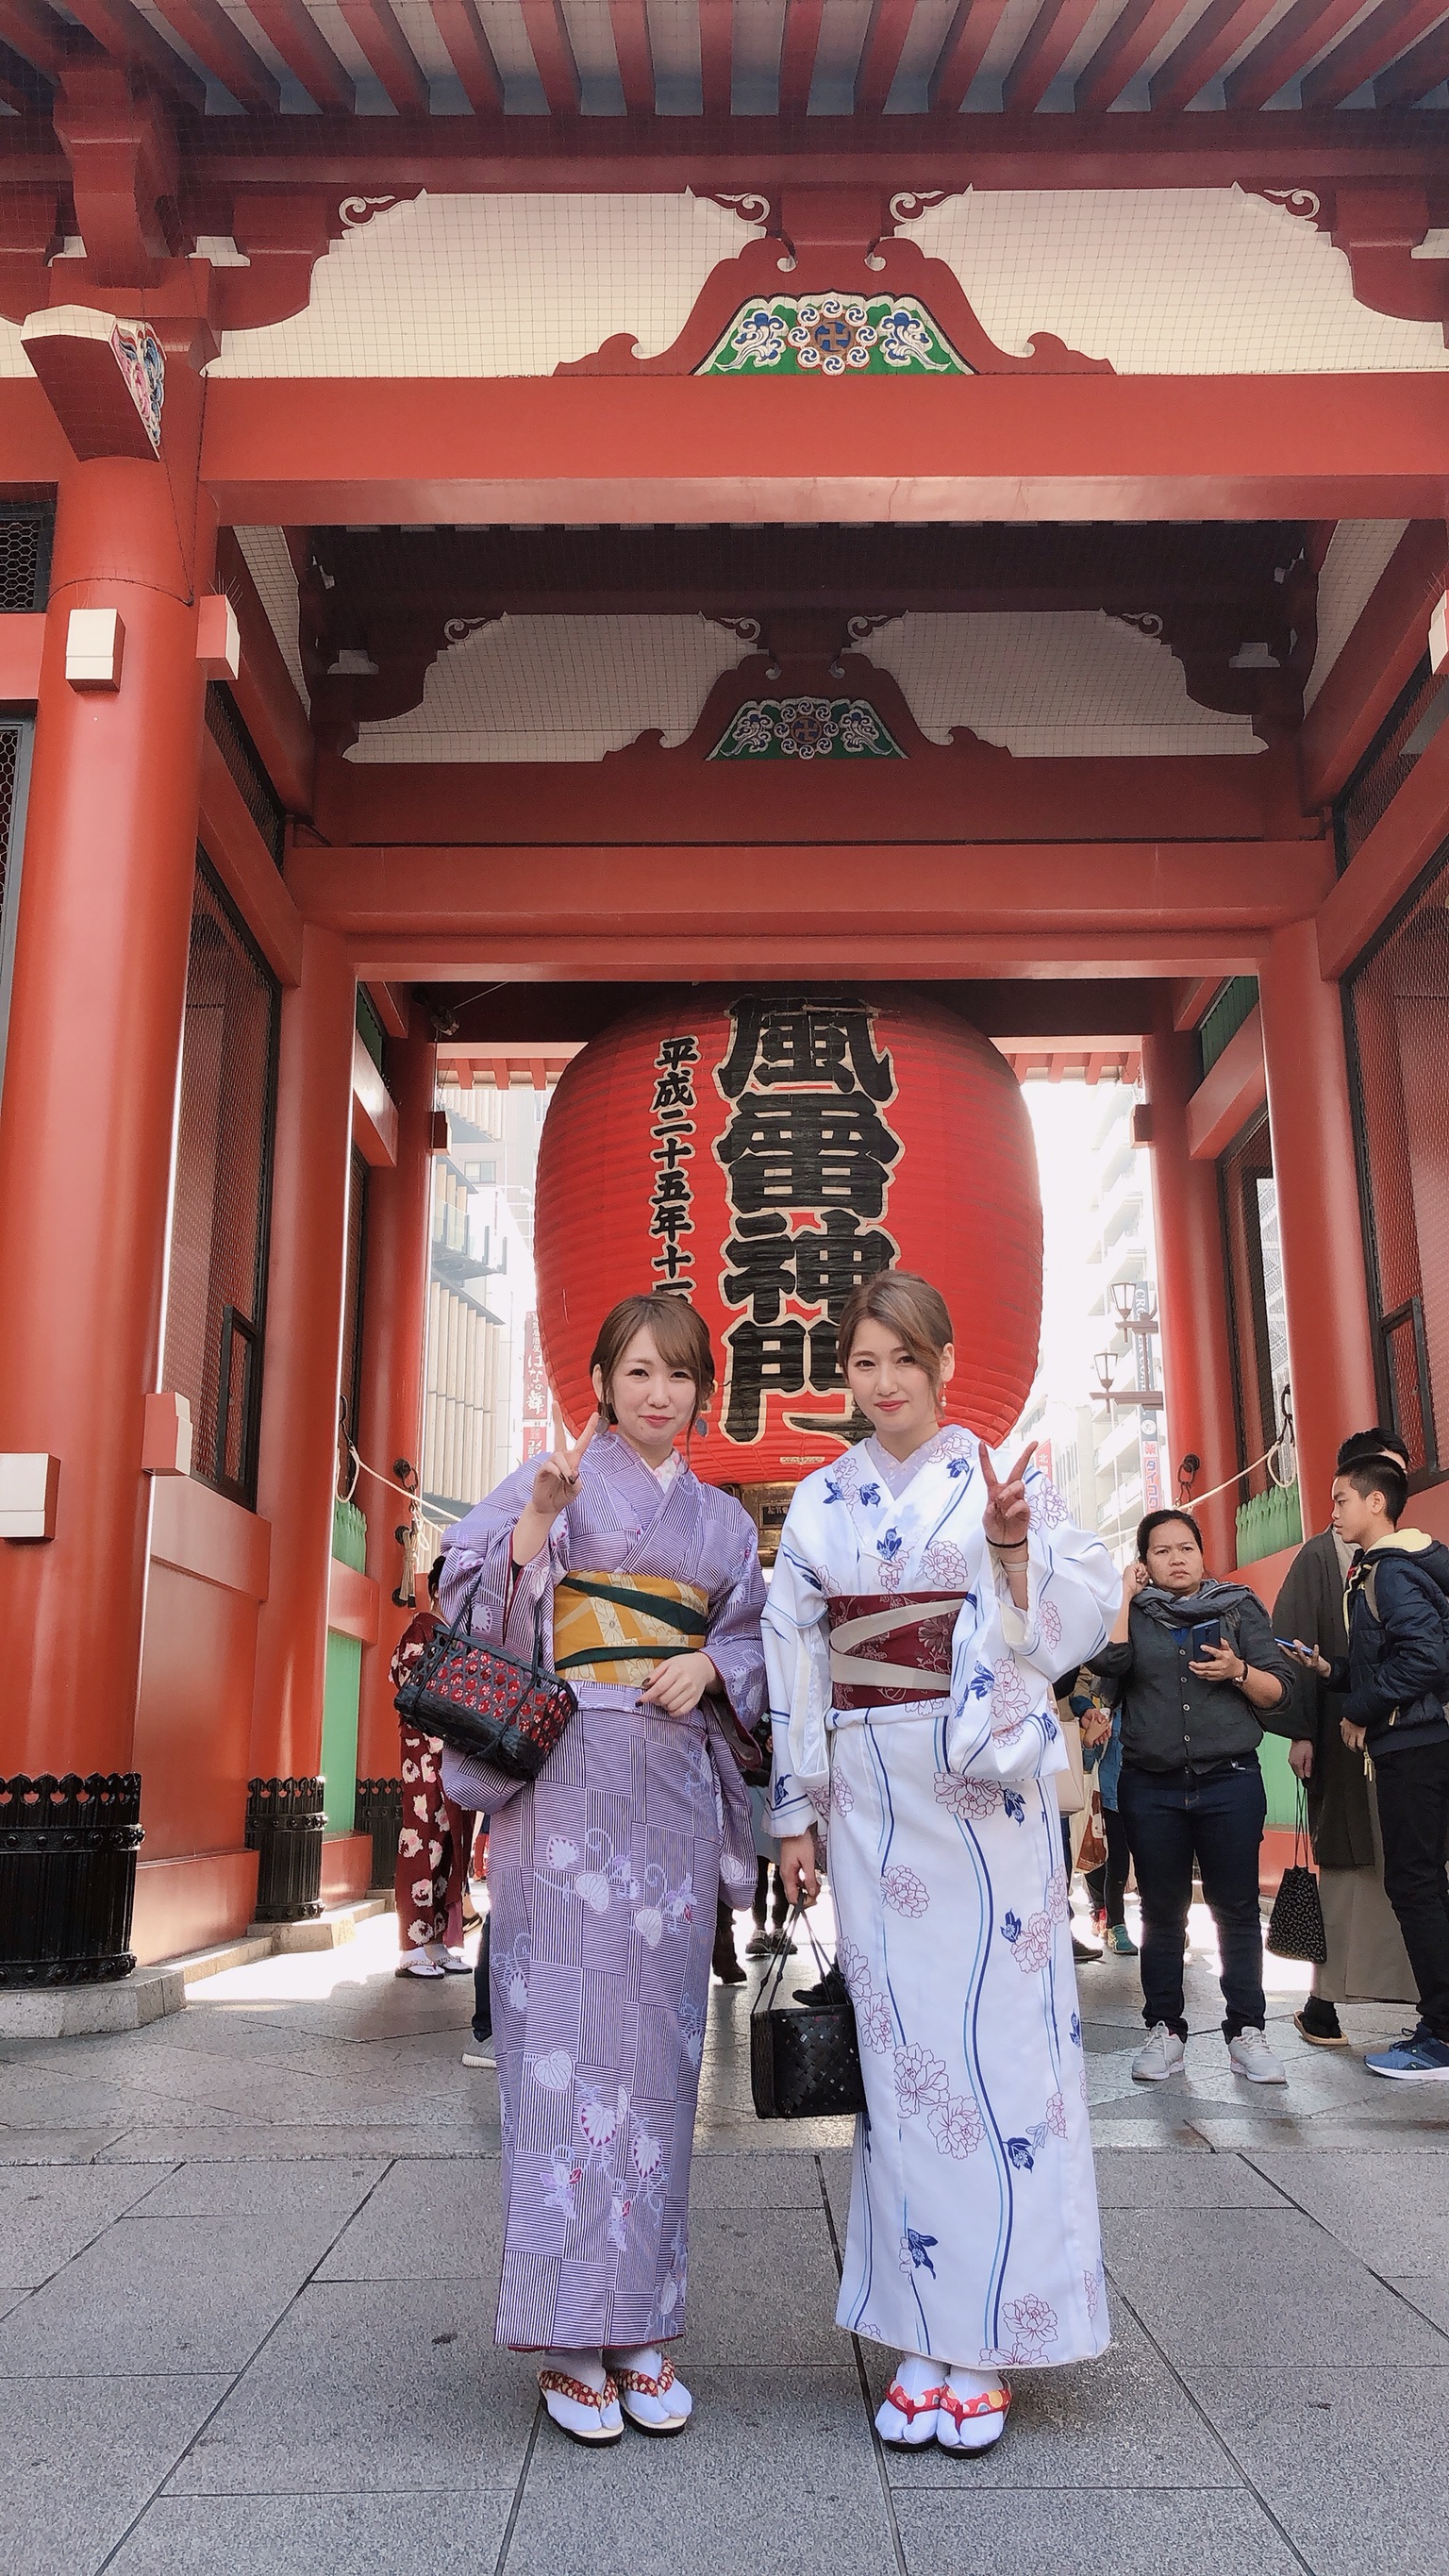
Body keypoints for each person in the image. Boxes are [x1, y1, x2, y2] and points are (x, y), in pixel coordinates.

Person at [765, 1272, 1119, 2455]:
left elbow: (1074, 1616)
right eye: (862, 1363)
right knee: (906, 2065)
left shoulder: (1002, 1480)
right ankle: (924, 2328)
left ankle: (993, 2338)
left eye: (902, 1359)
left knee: (997, 2057)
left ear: (946, 1361)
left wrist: (1014, 1557)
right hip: (868, 1792)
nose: (882, 1383)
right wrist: (795, 1812)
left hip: (979, 1799)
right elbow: (798, 1655)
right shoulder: (822, 1499)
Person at [438, 1294, 766, 2445]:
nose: (658, 1394)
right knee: (561, 2057)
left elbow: (756, 1633)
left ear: (701, 1392)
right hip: (565, 1789)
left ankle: (640, 2325)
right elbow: (468, 1601)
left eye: (679, 1375)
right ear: (600, 1382)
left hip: (669, 1794)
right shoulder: (555, 1483)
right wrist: (533, 1528)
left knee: (658, 2062)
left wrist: (716, 1671)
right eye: (636, 1373)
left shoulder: (724, 1525)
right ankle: (566, 2337)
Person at [1094, 1510, 1296, 2086]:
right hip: (1150, 1786)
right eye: (1161, 1551)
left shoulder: (1238, 1606)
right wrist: (1123, 1598)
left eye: (1186, 1547)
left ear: (1203, 1553)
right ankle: (1165, 2029)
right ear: (1144, 1561)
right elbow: (1108, 1666)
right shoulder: (1134, 1611)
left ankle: (1247, 2031)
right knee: (1161, 1913)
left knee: (1234, 1910)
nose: (1176, 1559)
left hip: (1229, 1779)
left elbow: (1278, 1689)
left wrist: (1238, 1670)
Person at [1285, 1448, 1449, 2082]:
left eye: (1341, 1499)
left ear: (1376, 1501)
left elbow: (1425, 1662)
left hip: (1412, 1747)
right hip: (1415, 1741)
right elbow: (1402, 1660)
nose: (1335, 1512)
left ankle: (1442, 2031)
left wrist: (1360, 1708)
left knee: (1414, 1885)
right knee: (1424, 1883)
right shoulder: (1392, 1566)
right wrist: (1333, 1672)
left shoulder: (1393, 1571)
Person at [1273, 1429, 1414, 2048]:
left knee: (1414, 1865)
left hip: (1409, 1739)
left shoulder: (1413, 1554)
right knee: (1348, 1867)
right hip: (1343, 1741)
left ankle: (1425, 1996)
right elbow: (1293, 1646)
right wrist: (1301, 1731)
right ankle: (1323, 2001)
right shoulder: (1319, 1557)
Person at [389, 1556, 472, 1982]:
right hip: (425, 1753)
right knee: (422, 1842)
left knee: (449, 1843)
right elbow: (409, 1684)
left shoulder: (456, 1636)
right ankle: (410, 1946)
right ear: (438, 1591)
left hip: (454, 1753)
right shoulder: (421, 1630)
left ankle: (437, 1941)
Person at [1073, 1672, 1137, 1956]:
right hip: (1114, 1798)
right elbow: (1089, 1758)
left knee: (1158, 1863)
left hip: (1153, 1796)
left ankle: (1171, 1924)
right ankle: (1115, 1923)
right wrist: (1089, 1739)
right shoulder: (1108, 1712)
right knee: (1116, 1863)